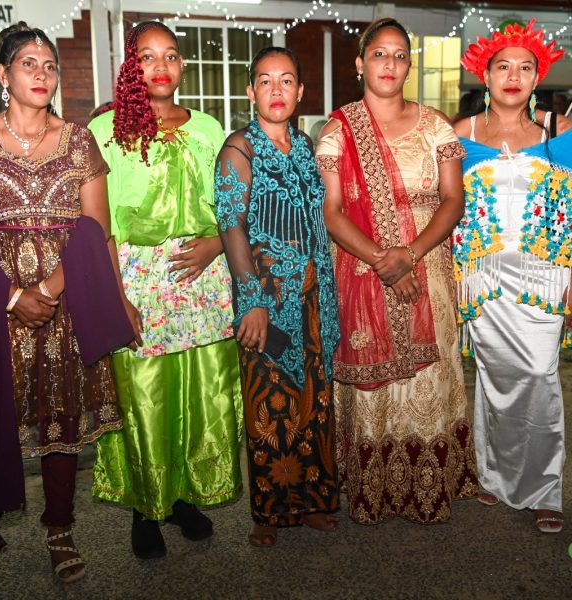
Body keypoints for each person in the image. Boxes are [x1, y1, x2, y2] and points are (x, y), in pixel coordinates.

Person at [0, 22, 137, 598]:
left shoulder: (78, 141)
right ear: (3, 74)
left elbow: (98, 231)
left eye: (49, 66)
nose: (41, 75)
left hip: (66, 299)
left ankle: (61, 531)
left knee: (61, 419)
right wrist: (12, 297)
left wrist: (102, 295)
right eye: (28, 64)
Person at [88, 20, 243, 559]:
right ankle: (145, 506)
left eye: (171, 55)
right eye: (148, 56)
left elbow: (233, 206)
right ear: (131, 65)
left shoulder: (209, 128)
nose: (161, 66)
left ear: (182, 65)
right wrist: (117, 299)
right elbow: (100, 226)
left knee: (199, 392)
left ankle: (182, 496)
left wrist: (216, 245)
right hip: (136, 282)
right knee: (144, 396)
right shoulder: (106, 130)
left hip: (203, 280)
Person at [316, 18, 478, 526]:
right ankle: (373, 486)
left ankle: (428, 485)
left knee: (430, 379)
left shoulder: (436, 126)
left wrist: (409, 252)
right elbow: (332, 212)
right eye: (379, 54)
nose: (390, 64)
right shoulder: (338, 130)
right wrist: (382, 259)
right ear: (360, 64)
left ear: (410, 66)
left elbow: (453, 200)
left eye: (400, 55)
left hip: (427, 269)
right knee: (375, 389)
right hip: (362, 268)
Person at [214, 47, 341, 546]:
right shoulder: (238, 149)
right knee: (269, 406)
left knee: (314, 401)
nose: (276, 90)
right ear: (251, 91)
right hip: (267, 299)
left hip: (313, 295)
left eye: (286, 81)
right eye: (265, 81)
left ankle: (311, 501)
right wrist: (252, 301)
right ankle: (268, 512)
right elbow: (231, 227)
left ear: (300, 91)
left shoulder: (305, 145)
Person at [454, 18, 572, 533]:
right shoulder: (460, 134)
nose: (513, 77)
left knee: (541, 377)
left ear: (537, 77)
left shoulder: (559, 132)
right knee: (494, 379)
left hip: (545, 276)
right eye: (503, 66)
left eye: (525, 68)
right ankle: (494, 474)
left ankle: (545, 488)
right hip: (483, 277)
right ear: (486, 75)